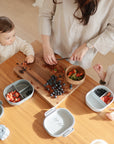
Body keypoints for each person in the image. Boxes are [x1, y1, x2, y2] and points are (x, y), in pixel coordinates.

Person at [39, 0, 114, 69]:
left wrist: (87, 46)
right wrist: (46, 46)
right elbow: (45, 14)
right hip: (54, 48)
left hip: (82, 56)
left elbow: (112, 32)